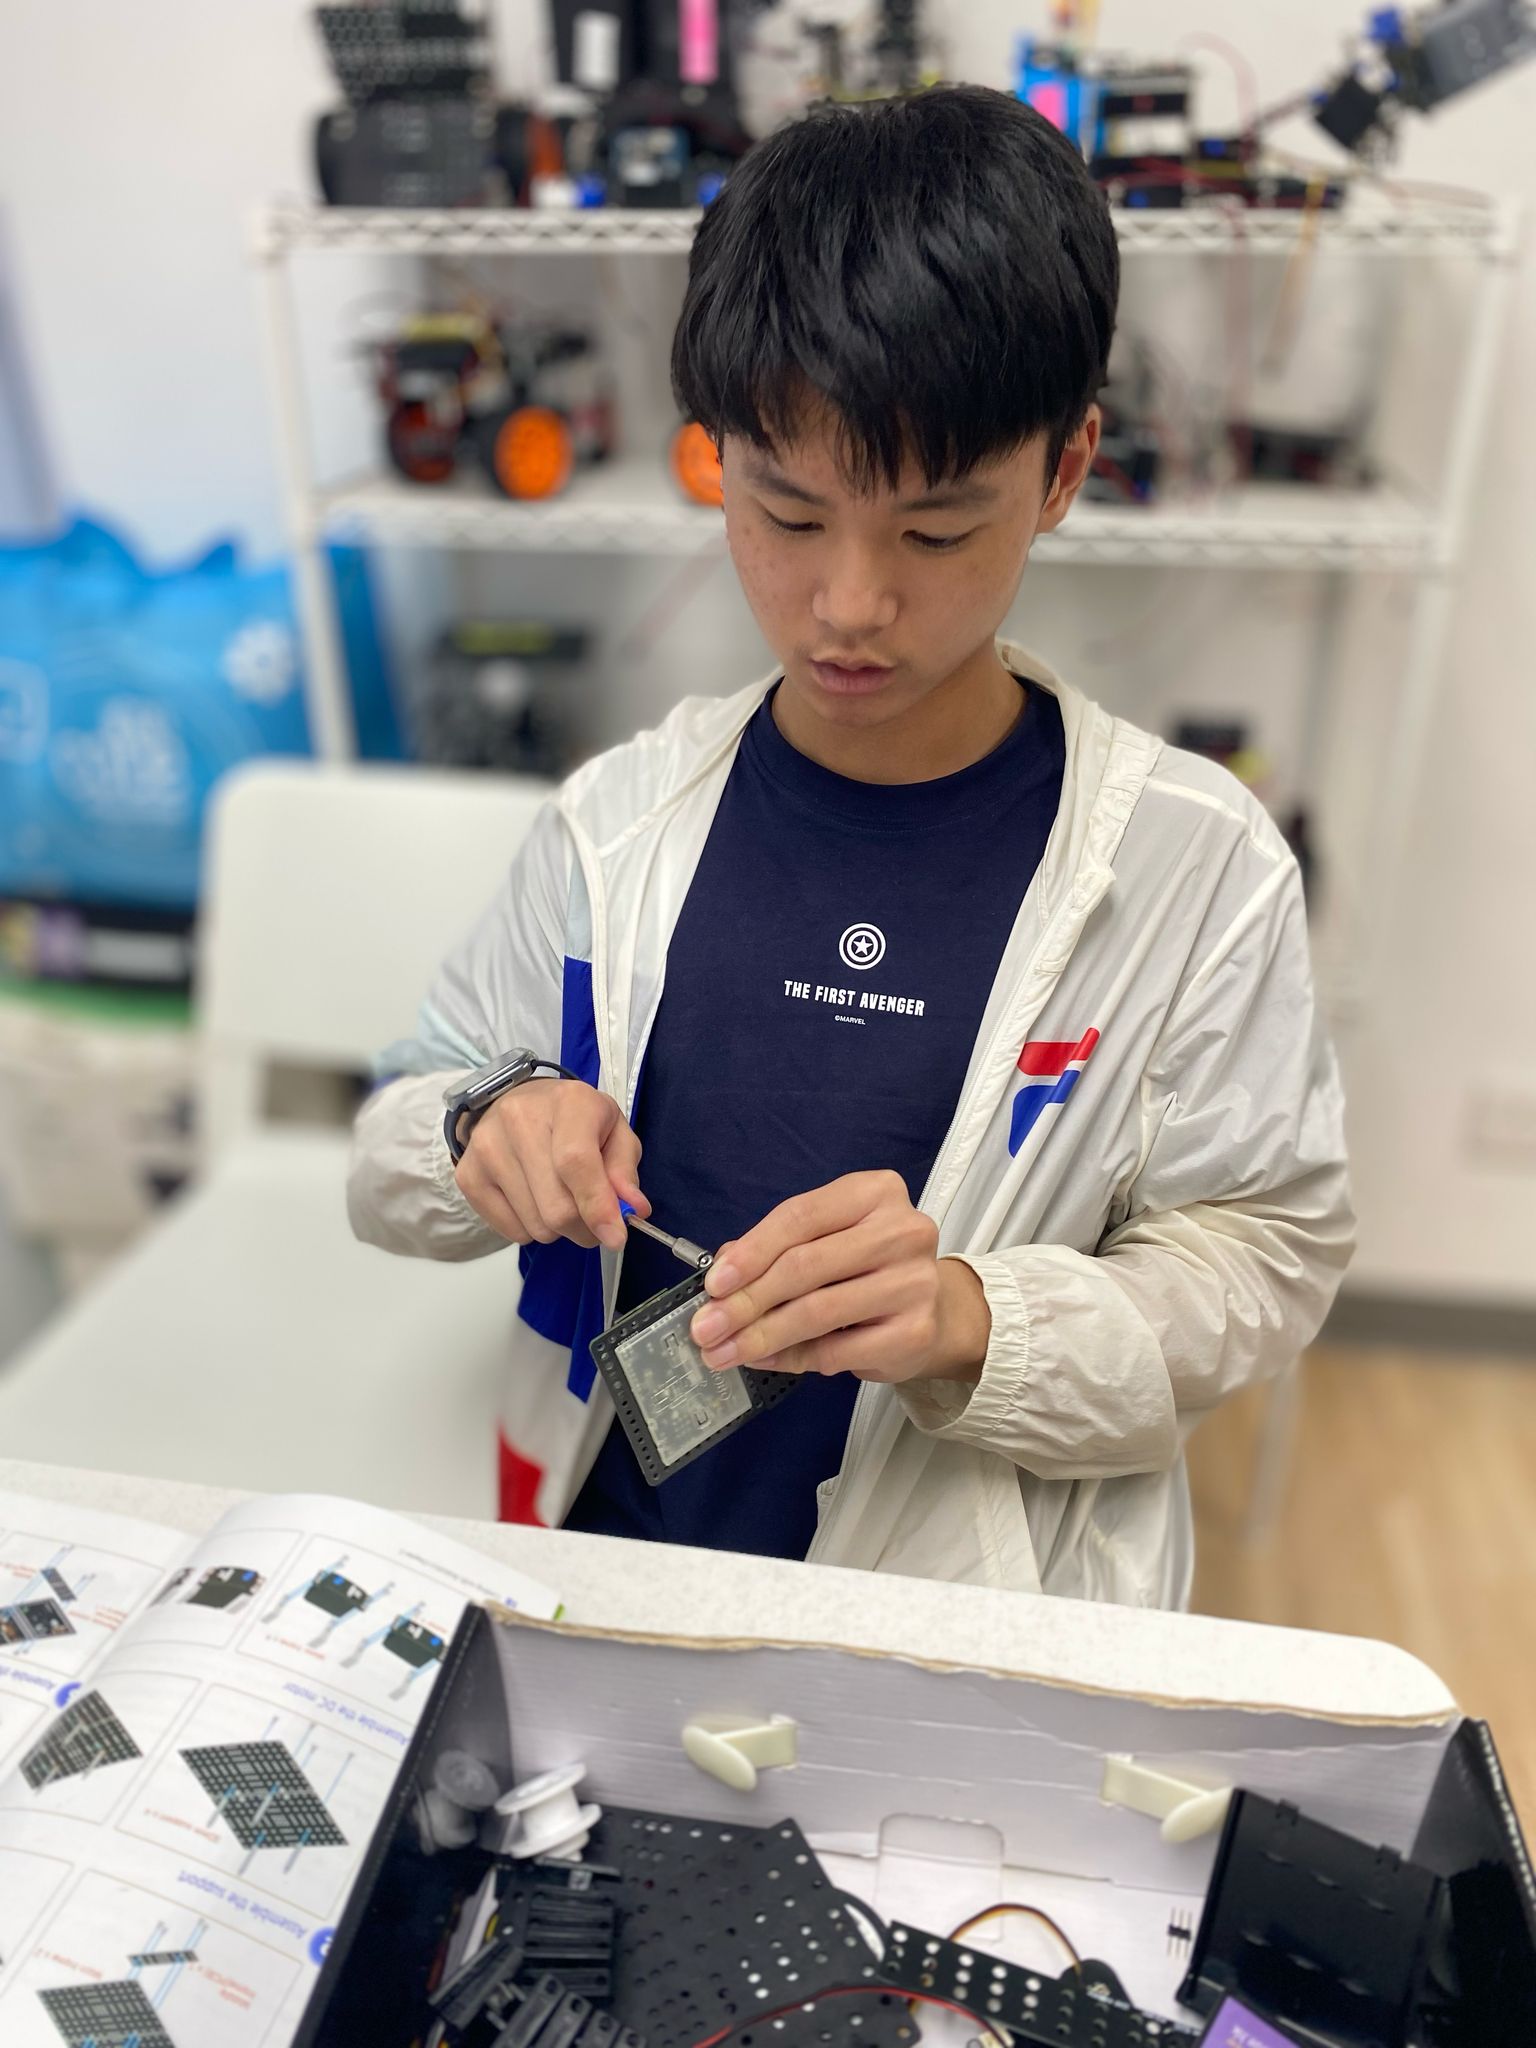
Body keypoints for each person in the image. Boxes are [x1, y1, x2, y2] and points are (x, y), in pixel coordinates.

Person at [348, 85, 1352, 1606]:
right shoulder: (618, 822)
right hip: (603, 1569)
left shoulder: (1196, 871)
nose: (850, 605)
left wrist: (972, 1320)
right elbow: (394, 1136)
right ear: (717, 460)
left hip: (962, 1612)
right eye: (787, 513)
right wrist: (486, 1123)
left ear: (1065, 470)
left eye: (936, 533)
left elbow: (1267, 1253)